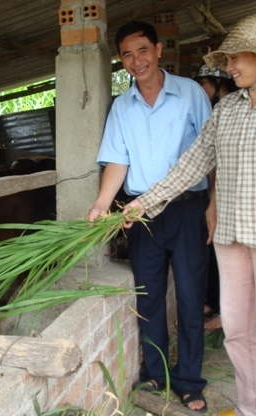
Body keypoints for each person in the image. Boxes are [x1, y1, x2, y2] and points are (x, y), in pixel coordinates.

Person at [123, 12, 256, 416]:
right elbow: (191, 164)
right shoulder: (228, 109)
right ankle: (252, 409)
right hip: (231, 241)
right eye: (227, 61)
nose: (228, 68)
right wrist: (145, 202)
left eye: (235, 59)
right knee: (238, 334)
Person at [86, 20, 213, 412]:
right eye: (126, 54)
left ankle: (190, 381)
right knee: (149, 297)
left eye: (142, 50)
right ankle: (157, 373)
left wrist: (214, 204)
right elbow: (118, 161)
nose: (136, 60)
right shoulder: (122, 107)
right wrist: (102, 204)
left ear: (158, 50)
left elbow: (212, 154)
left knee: (192, 299)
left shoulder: (190, 94)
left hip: (189, 209)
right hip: (141, 213)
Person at [193, 64, 239, 331]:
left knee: (225, 250)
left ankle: (225, 313)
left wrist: (215, 196)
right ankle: (214, 302)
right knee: (213, 246)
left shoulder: (231, 109)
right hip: (217, 191)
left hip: (230, 194)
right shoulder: (219, 109)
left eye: (203, 83)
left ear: (218, 83)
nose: (200, 89)